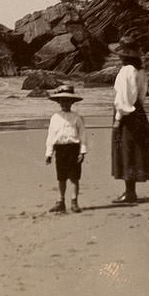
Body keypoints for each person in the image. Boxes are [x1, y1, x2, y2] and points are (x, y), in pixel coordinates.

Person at [109, 35, 149, 204]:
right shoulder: (140, 71)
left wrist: (118, 118)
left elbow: (124, 98)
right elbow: (141, 95)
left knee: (127, 151)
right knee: (134, 151)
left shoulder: (126, 71)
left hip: (127, 115)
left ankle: (129, 193)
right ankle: (131, 191)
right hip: (138, 112)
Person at [44, 84, 87, 213]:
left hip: (73, 149)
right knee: (61, 177)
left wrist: (82, 151)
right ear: (58, 102)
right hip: (60, 149)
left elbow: (83, 135)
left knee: (74, 177)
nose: (65, 103)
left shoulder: (77, 118)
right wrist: (49, 153)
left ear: (72, 102)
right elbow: (51, 136)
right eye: (62, 100)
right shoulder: (55, 118)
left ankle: (74, 201)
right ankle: (61, 201)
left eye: (68, 101)